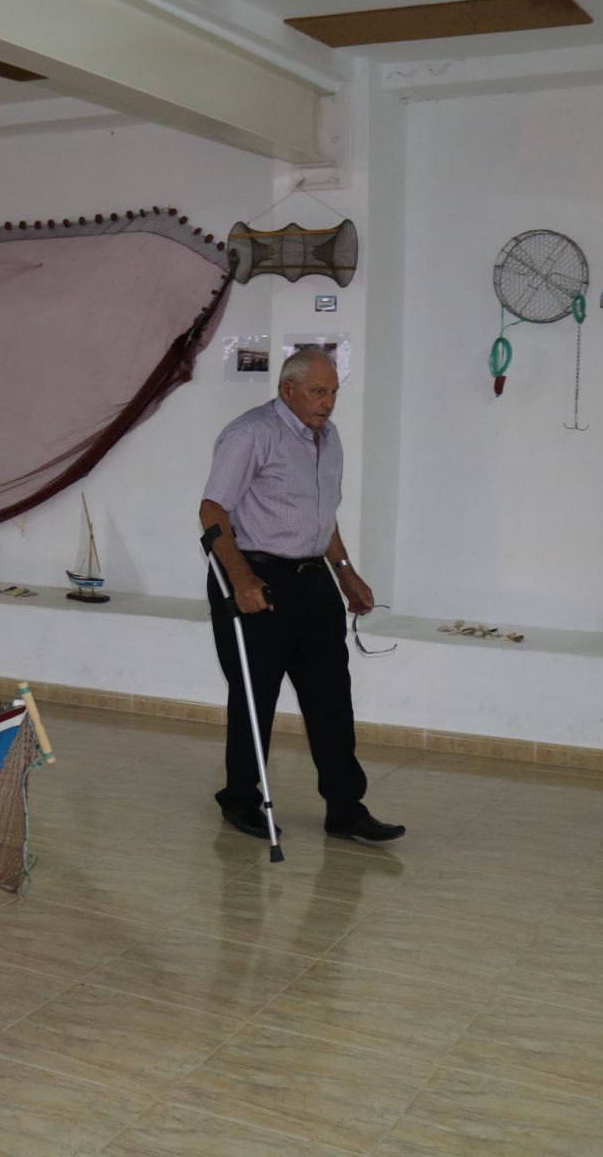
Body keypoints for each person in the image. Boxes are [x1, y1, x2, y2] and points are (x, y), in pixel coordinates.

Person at [200, 347, 405, 845]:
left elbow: (321, 515)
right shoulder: (251, 434)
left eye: (333, 391)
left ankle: (344, 808)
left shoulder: (328, 440)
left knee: (331, 696)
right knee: (256, 697)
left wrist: (345, 572)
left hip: (313, 580)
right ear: (286, 390)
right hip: (256, 578)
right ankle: (242, 799)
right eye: (318, 391)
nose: (329, 402)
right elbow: (212, 512)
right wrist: (242, 580)